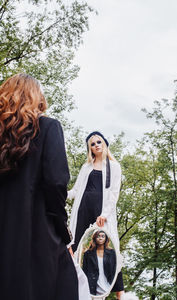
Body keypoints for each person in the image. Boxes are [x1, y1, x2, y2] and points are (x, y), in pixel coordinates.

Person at [0, 73, 79, 300]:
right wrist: (62, 230)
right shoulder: (48, 128)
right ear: (37, 99)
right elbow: (56, 182)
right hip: (38, 236)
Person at [68, 131, 124, 299]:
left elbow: (114, 193)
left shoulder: (114, 166)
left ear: (104, 143)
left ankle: (120, 295)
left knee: (110, 249)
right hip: (83, 210)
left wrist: (105, 214)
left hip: (101, 214)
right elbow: (76, 190)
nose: (96, 145)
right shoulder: (86, 167)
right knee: (78, 249)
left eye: (99, 141)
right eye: (92, 144)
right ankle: (81, 293)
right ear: (90, 148)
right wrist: (58, 193)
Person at [82, 230, 116, 296]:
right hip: (92, 285)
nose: (100, 238)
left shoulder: (112, 253)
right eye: (98, 236)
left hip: (107, 284)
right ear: (95, 238)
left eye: (103, 236)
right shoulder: (88, 253)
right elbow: (84, 270)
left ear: (106, 238)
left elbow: (114, 269)